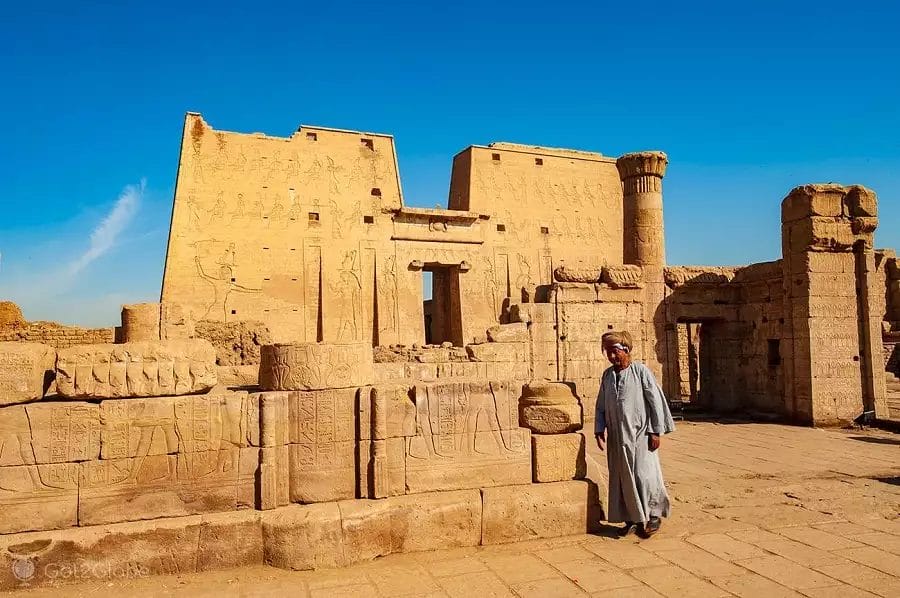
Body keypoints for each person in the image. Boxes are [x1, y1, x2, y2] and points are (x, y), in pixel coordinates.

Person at [595, 330, 675, 538]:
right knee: (622, 477)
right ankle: (632, 518)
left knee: (644, 475)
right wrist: (599, 428)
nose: (612, 357)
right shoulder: (608, 376)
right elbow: (601, 405)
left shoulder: (640, 372)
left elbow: (654, 401)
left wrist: (655, 430)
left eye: (615, 352)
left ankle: (654, 515)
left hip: (640, 435)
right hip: (617, 437)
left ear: (626, 350)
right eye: (608, 352)